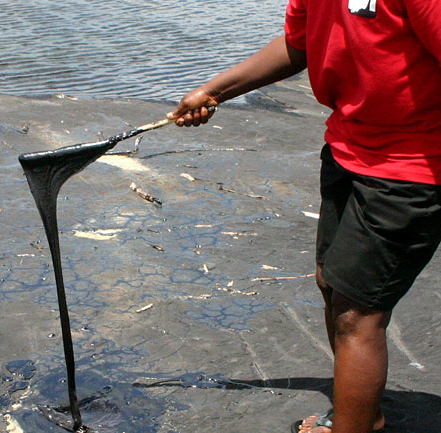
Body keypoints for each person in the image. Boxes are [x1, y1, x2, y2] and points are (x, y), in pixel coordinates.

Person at [167, 1, 441, 432]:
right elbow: (299, 45)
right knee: (331, 284)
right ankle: (364, 417)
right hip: (348, 149)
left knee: (358, 313)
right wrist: (216, 89)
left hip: (412, 167)